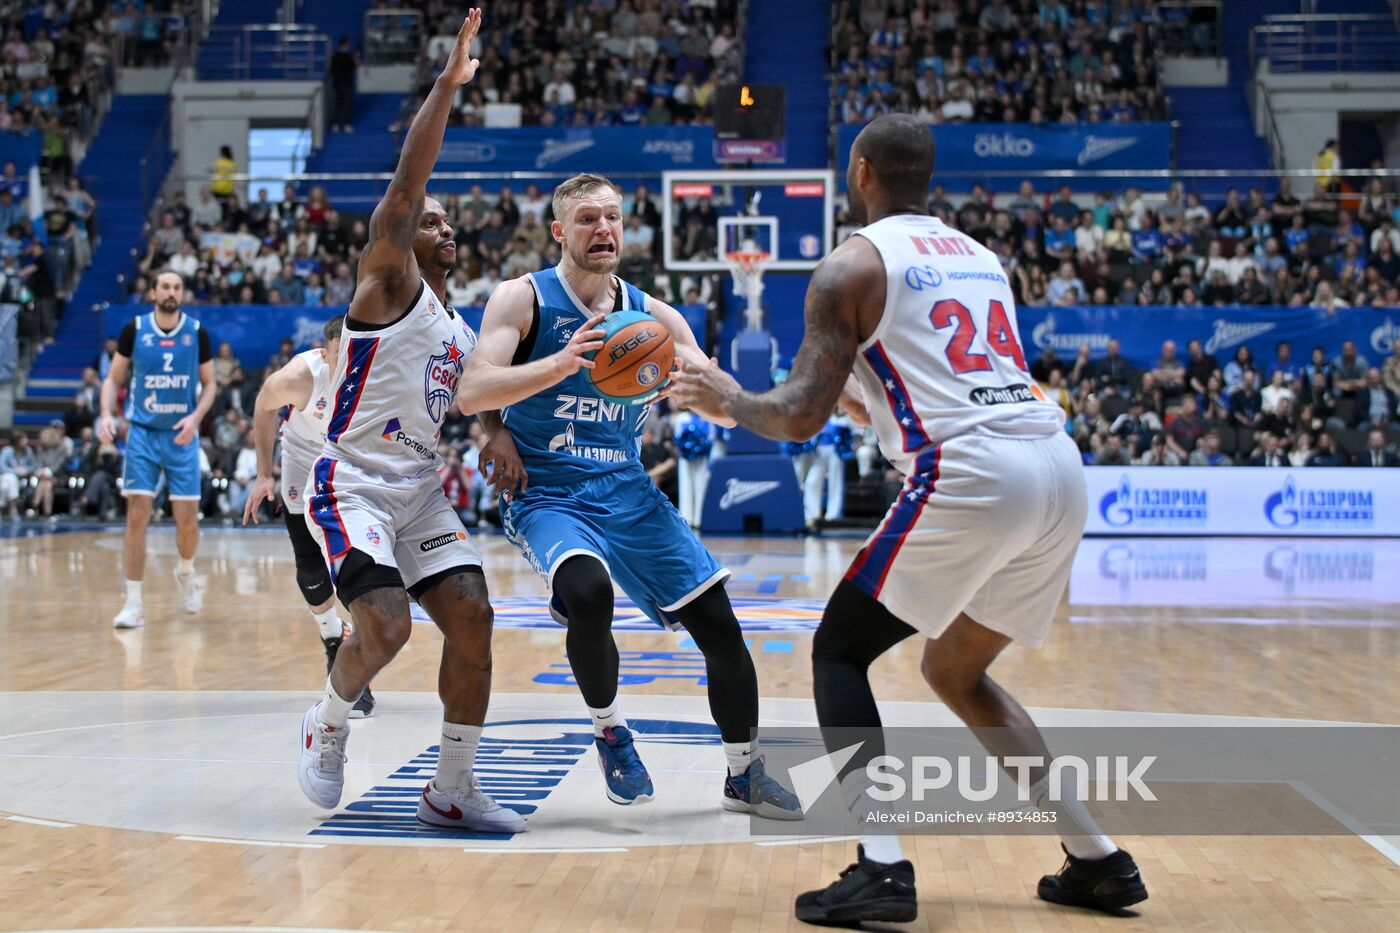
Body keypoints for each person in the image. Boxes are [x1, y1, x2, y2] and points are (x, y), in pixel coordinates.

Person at [670, 113, 1148, 925]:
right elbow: (924, 387)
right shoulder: (981, 258)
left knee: (838, 649)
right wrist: (818, 405)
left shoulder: (848, 266)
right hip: (1058, 467)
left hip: (973, 474)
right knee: (954, 671)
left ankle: (881, 865)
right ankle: (1100, 859)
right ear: (926, 177)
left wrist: (724, 397)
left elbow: (794, 416)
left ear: (859, 173)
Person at [457, 171, 802, 818]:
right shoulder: (522, 298)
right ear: (559, 231)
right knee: (588, 595)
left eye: (612, 217)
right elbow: (472, 390)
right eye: (587, 219)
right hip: (548, 489)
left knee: (722, 627)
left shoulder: (654, 317)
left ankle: (743, 774)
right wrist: (561, 364)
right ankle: (611, 728)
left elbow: (727, 410)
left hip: (628, 490)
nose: (604, 229)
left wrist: (702, 389)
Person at [293, 10, 523, 833]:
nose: (443, 225)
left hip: (418, 490)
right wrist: (448, 85)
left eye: (448, 222)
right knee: (385, 626)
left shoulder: (462, 334)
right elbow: (405, 182)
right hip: (350, 478)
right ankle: (327, 720)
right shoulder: (388, 286)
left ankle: (452, 785)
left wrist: (493, 428)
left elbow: (472, 398)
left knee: (473, 617)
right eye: (433, 219)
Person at [242, 315, 374, 718]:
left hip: (351, 462)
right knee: (312, 573)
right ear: (323, 351)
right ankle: (332, 636)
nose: (346, 361)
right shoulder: (300, 375)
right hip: (302, 459)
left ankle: (358, 670)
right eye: (339, 354)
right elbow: (264, 407)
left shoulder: (373, 369)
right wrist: (265, 473)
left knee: (360, 568)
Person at [98, 270, 216, 628]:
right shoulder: (135, 330)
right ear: (153, 292)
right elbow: (113, 378)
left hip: (182, 435)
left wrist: (195, 418)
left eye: (177, 287)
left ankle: (185, 571)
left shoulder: (197, 332)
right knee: (137, 514)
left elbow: (210, 385)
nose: (171, 292)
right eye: (165, 286)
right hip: (144, 435)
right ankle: (133, 602)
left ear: (182, 294)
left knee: (187, 523)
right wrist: (106, 413)